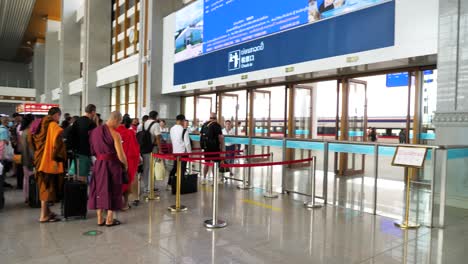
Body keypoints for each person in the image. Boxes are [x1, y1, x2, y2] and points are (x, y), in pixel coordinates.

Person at [88, 111, 128, 227]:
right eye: (119, 123)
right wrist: (125, 165)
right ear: (116, 120)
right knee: (113, 189)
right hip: (112, 165)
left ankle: (100, 218)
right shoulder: (115, 134)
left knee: (98, 189)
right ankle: (109, 219)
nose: (119, 125)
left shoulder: (94, 132)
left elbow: (93, 150)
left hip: (99, 164)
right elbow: (121, 155)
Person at [32, 107, 66, 223]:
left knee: (43, 187)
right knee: (47, 188)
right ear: (56, 115)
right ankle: (43, 216)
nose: (58, 119)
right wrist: (60, 157)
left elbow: (31, 139)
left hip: (39, 158)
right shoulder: (52, 125)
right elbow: (57, 142)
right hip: (48, 161)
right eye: (59, 116)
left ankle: (47, 212)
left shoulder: (39, 123)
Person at [116, 115, 140, 210]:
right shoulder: (130, 133)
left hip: (114, 160)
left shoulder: (113, 131)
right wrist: (138, 159)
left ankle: (115, 203)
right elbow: (134, 150)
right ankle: (125, 204)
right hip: (128, 160)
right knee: (127, 181)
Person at [69, 104, 97, 182]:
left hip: (76, 152)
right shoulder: (92, 123)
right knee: (83, 175)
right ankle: (81, 192)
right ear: (93, 112)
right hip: (85, 152)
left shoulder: (77, 121)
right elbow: (95, 139)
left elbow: (71, 135)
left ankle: (75, 191)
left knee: (76, 173)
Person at [137, 111, 161, 193]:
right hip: (152, 148)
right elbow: (158, 137)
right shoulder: (156, 124)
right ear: (156, 116)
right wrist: (160, 149)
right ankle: (150, 187)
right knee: (151, 167)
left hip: (143, 148)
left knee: (145, 167)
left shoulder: (143, 124)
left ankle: (146, 187)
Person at [168, 115, 192, 190]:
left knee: (175, 168)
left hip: (175, 152)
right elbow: (187, 143)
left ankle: (169, 183)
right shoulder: (184, 130)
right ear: (182, 120)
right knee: (182, 169)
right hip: (183, 153)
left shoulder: (172, 129)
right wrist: (190, 153)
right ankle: (180, 186)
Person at [200, 113, 224, 184]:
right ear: (216, 118)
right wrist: (222, 147)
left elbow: (200, 135)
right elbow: (220, 137)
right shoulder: (217, 125)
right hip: (214, 148)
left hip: (206, 147)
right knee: (214, 163)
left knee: (206, 163)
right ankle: (214, 180)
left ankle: (204, 178)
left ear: (210, 117)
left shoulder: (204, 125)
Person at [19, 114, 35, 203]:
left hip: (24, 158)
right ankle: (30, 196)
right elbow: (31, 148)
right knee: (30, 178)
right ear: (31, 121)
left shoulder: (22, 131)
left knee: (26, 178)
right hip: (29, 159)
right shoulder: (29, 132)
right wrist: (35, 158)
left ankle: (26, 196)